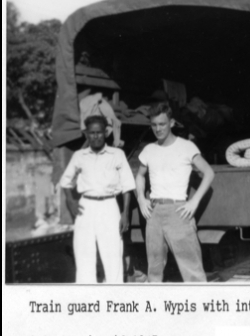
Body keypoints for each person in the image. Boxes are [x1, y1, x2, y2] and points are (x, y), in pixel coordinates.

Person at [136, 102, 215, 282]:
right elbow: (139, 176)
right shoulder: (149, 150)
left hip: (178, 212)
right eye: (154, 125)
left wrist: (194, 202)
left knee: (192, 272)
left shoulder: (186, 147)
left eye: (162, 124)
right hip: (154, 213)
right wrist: (141, 198)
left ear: (171, 123)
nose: (158, 129)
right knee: (154, 271)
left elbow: (209, 173)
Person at [60, 115, 135, 284]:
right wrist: (71, 202)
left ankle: (114, 296)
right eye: (92, 133)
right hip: (86, 206)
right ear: (86, 134)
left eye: (99, 132)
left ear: (106, 133)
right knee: (84, 254)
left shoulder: (117, 154)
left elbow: (127, 186)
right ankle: (87, 298)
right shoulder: (79, 156)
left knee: (113, 253)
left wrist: (125, 214)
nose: (95, 136)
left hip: (109, 205)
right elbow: (65, 181)